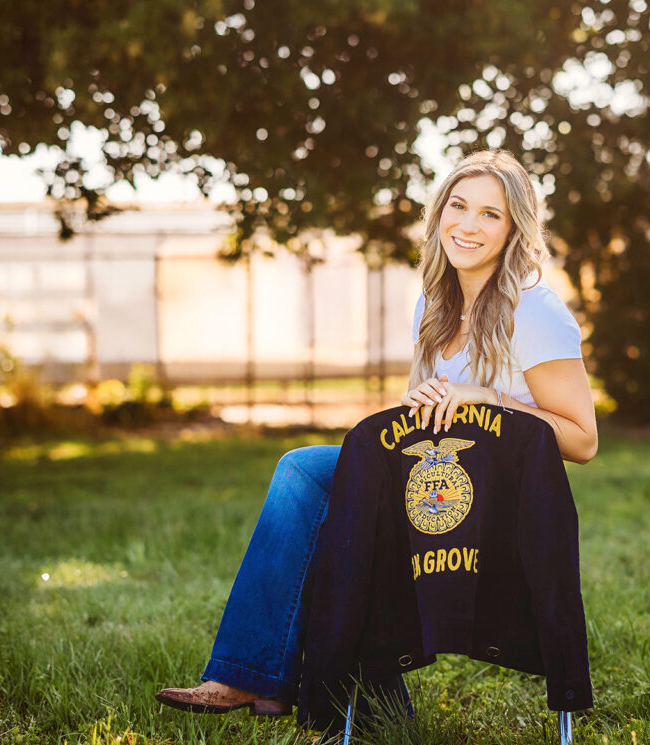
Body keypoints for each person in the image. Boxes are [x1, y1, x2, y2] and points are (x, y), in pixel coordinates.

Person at [157, 148, 598, 716]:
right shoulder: (433, 306)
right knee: (310, 477)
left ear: (515, 227)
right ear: (439, 213)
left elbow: (582, 441)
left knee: (308, 476)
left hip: (494, 505)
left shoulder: (534, 312)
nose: (468, 225)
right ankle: (312, 685)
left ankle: (274, 677)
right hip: (431, 475)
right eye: (458, 206)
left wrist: (489, 398)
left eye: (490, 214)